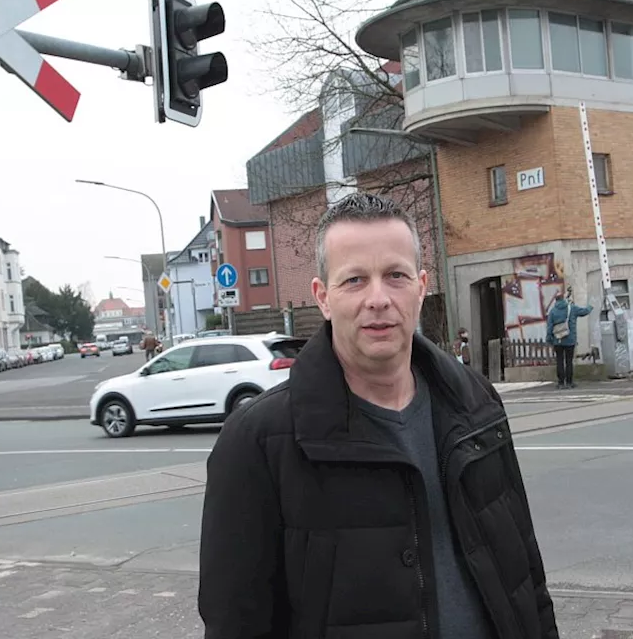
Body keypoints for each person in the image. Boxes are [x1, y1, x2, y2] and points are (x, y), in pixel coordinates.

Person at [199, 193, 559, 639]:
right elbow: (237, 623)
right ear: (322, 297)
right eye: (354, 280)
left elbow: (526, 576)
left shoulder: (476, 403)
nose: (378, 298)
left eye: (395, 276)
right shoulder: (257, 442)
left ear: (422, 286)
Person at [545, 290, 593, 389]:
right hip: (570, 339)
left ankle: (561, 383)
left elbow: (549, 327)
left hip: (557, 340)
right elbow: (584, 312)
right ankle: (570, 382)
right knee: (569, 361)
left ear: (555, 300)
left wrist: (549, 339)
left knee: (559, 361)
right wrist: (590, 306)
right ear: (563, 299)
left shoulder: (552, 311)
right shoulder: (572, 308)